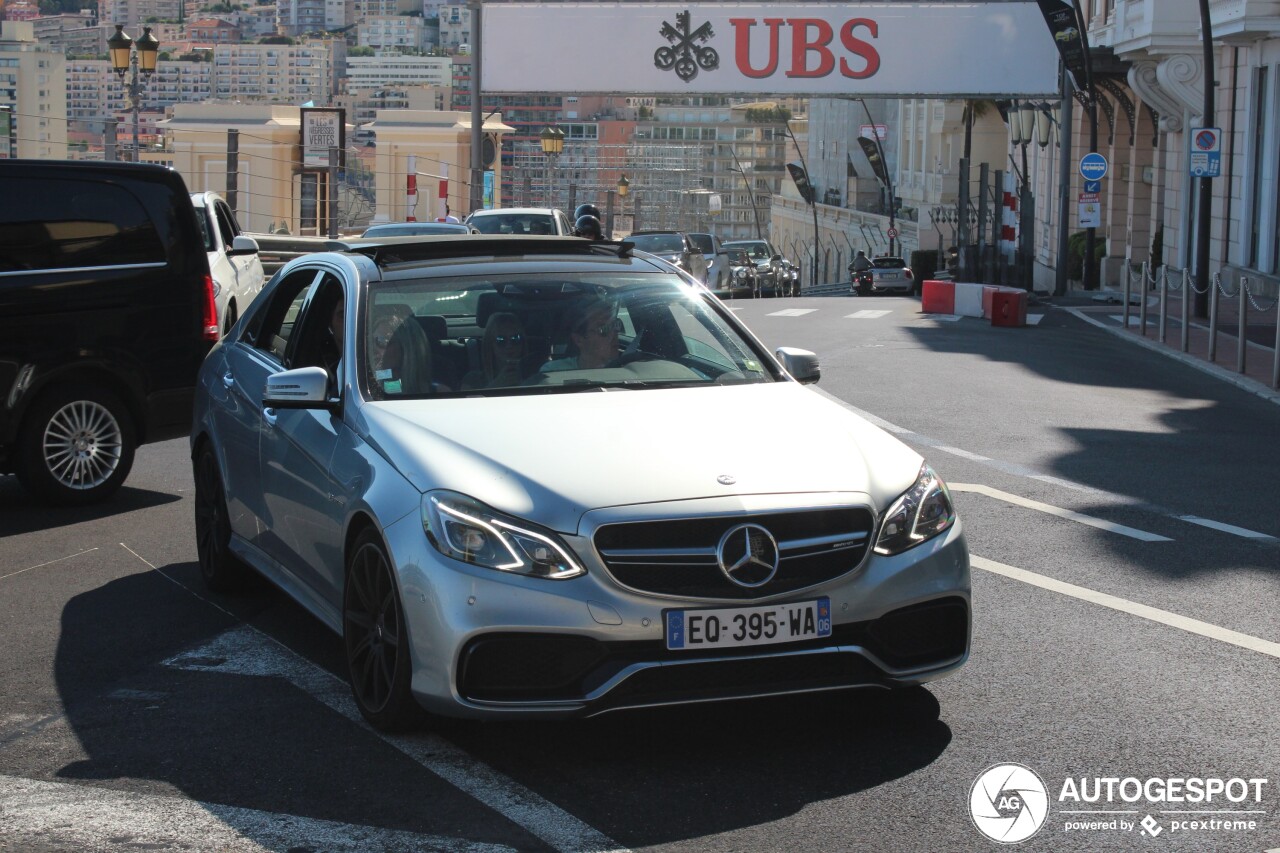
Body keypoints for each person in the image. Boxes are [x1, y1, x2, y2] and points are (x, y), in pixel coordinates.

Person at [368, 305, 440, 395]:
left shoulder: (440, 392)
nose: (372, 349)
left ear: (407, 347)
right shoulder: (367, 384)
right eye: (371, 342)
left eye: (382, 341)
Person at [540, 296, 620, 371]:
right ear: (579, 340)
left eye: (615, 325)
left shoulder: (627, 370)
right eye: (604, 329)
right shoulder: (554, 372)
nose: (614, 334)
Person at [461, 312, 527, 389]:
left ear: (523, 342)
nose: (509, 345)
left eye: (515, 338)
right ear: (489, 344)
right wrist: (496, 385)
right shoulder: (472, 380)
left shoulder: (537, 374)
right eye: (501, 340)